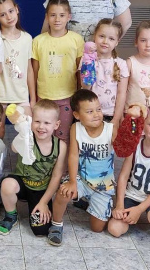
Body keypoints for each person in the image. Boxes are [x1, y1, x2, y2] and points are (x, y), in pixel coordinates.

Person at [48, 90, 116, 246]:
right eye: (90, 112)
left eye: (98, 109)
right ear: (77, 115)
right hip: (82, 179)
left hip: (103, 186)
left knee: (97, 228)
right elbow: (73, 156)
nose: (96, 114)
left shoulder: (110, 129)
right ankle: (56, 225)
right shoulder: (75, 128)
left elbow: (124, 147)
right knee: (64, 192)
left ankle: (88, 202)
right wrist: (72, 181)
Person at [0, 100, 67, 236]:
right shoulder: (27, 137)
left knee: (40, 231)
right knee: (7, 184)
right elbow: (14, 148)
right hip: (22, 184)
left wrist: (43, 202)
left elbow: (56, 176)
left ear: (56, 125)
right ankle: (11, 215)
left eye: (47, 123)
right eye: (37, 121)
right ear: (31, 121)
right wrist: (23, 132)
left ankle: (36, 203)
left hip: (41, 190)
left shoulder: (60, 146)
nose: (41, 127)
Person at [108, 105, 150, 240]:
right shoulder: (135, 146)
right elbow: (123, 177)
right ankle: (129, 213)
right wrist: (119, 205)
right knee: (114, 229)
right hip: (131, 195)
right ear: (143, 126)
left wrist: (139, 209)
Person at [32, 0, 84, 143]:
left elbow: (80, 71)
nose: (57, 19)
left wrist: (78, 96)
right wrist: (33, 97)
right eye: (53, 15)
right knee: (43, 134)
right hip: (44, 97)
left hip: (67, 98)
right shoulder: (38, 41)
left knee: (63, 135)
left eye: (62, 15)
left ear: (69, 17)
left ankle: (61, 159)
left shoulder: (76, 40)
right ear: (46, 17)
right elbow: (34, 72)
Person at [0, 0, 36, 138]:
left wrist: (33, 99)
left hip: (21, 96)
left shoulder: (27, 38)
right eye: (2, 14)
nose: (9, 17)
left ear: (17, 9)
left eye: (11, 11)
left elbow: (29, 70)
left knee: (28, 130)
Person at [81, 18, 129, 128]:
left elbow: (122, 93)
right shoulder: (86, 60)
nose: (105, 41)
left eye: (111, 39)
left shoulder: (121, 64)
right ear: (95, 36)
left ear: (117, 42)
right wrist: (88, 63)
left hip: (110, 115)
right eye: (101, 36)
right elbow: (85, 88)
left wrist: (116, 118)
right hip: (88, 113)